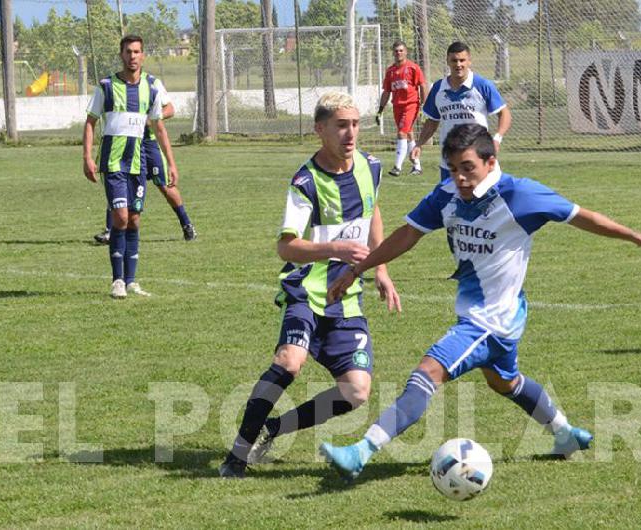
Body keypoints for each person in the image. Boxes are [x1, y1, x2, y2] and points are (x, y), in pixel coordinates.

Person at [319, 124, 641, 481]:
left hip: (488, 321)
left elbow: (581, 216)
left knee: (425, 374)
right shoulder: (447, 194)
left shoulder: (520, 195)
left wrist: (637, 237)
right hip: (504, 318)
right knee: (505, 383)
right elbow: (409, 233)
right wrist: (359, 268)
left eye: (468, 167)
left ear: (491, 161)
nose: (460, 177)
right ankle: (565, 434)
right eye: (454, 168)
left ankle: (361, 451)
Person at [219, 91, 402, 478]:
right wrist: (333, 248)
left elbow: (373, 214)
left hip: (347, 297)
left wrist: (380, 267)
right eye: (341, 125)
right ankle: (236, 455)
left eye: (354, 124)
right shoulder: (306, 181)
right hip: (306, 291)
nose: (350, 133)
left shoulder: (371, 167)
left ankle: (272, 430)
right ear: (320, 130)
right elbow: (286, 247)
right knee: (289, 362)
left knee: (356, 392)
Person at [83, 35, 179, 298]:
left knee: (135, 219)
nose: (133, 56)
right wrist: (87, 158)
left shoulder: (151, 88)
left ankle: (132, 280)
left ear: (143, 55)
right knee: (121, 217)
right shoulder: (106, 86)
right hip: (113, 162)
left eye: (137, 52)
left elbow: (159, 128)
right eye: (128, 52)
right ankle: (117, 281)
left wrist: (171, 163)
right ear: (121, 55)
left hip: (139, 162)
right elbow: (90, 122)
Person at [93, 77, 197, 244]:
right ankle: (110, 230)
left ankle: (186, 223)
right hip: (122, 144)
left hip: (148, 143)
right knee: (117, 182)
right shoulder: (113, 85)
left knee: (164, 185)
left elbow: (170, 109)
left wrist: (152, 119)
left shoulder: (151, 83)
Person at [410, 41, 512, 182]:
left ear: (469, 61)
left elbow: (504, 113)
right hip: (450, 163)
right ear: (447, 61)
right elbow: (432, 121)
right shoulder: (438, 88)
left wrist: (497, 138)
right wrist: (419, 144)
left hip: (479, 159)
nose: (458, 65)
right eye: (454, 60)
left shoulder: (482, 85)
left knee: (490, 202)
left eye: (462, 60)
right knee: (449, 203)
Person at [376, 41, 429, 177]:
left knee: (401, 133)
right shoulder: (390, 71)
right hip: (397, 106)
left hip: (411, 105)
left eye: (401, 50)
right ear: (393, 53)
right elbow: (386, 92)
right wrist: (380, 110)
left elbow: (422, 86)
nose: (398, 53)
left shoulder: (413, 68)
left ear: (406, 52)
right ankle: (417, 166)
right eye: (396, 51)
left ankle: (397, 167)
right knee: (408, 134)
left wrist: (425, 106)